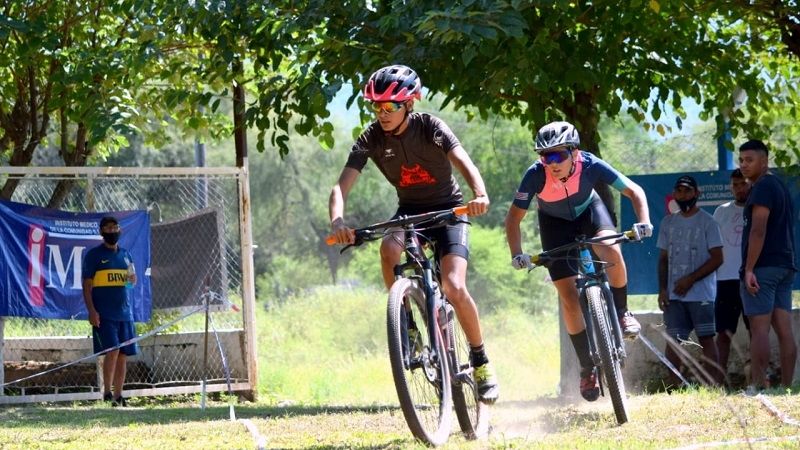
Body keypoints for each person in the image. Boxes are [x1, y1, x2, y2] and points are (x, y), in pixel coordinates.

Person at [328, 64, 499, 403]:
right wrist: (337, 221)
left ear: (409, 104)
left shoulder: (431, 127)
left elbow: (464, 161)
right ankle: (405, 319)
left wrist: (479, 194)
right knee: (389, 249)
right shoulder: (371, 138)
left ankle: (480, 360)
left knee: (454, 285)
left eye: (390, 106)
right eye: (376, 107)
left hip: (450, 211)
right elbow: (340, 186)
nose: (382, 113)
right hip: (410, 214)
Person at [504, 121, 652, 402]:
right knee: (569, 297)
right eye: (546, 156)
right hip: (554, 224)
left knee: (610, 249)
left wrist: (644, 222)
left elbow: (634, 191)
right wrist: (517, 253)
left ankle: (622, 312)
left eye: (559, 155)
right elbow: (513, 220)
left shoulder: (591, 164)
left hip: (590, 212)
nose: (552, 162)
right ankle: (587, 368)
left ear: (574, 152)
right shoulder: (535, 175)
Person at [738, 139, 797, 389]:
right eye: (741, 160)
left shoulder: (762, 187)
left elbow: (758, 230)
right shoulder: (779, 186)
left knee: (759, 328)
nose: (743, 165)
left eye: (749, 160)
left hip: (763, 268)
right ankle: (786, 387)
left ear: (764, 161)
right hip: (785, 265)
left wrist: (750, 268)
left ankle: (757, 387)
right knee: (784, 328)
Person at [657, 175, 724, 387]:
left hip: (701, 293)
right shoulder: (668, 222)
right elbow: (663, 260)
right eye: (679, 191)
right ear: (674, 194)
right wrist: (662, 289)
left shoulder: (708, 222)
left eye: (687, 191)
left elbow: (717, 258)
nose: (683, 195)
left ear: (696, 194)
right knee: (674, 340)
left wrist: (690, 279)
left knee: (706, 338)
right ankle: (673, 387)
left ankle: (712, 387)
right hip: (674, 294)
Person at [82, 216, 138, 406]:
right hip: (104, 315)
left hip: (125, 314)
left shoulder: (126, 255)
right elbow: (86, 285)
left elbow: (131, 282)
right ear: (101, 232)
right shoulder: (93, 256)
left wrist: (132, 280)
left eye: (115, 228)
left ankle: (119, 396)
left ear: (119, 230)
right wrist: (91, 311)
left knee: (123, 354)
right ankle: (106, 394)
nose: (112, 231)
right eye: (108, 228)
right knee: (112, 351)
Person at [712, 169, 751, 380]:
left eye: (743, 184)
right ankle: (719, 380)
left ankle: (757, 379)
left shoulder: (758, 209)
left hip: (751, 279)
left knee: (756, 331)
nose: (739, 189)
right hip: (725, 279)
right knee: (724, 333)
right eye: (735, 185)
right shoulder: (721, 211)